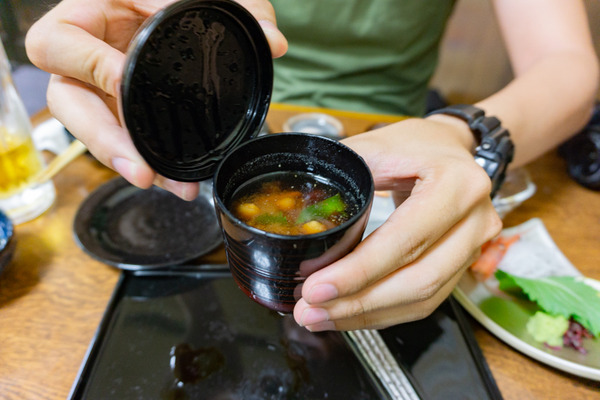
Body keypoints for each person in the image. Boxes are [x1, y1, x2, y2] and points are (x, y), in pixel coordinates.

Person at [25, 0, 599, 332]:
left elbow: (569, 65)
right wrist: (133, 51)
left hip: (395, 135)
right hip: (231, 117)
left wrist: (460, 132)